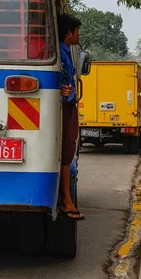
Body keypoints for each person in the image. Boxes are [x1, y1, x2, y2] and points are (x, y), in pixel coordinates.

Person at [58, 12, 85, 221]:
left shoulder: (65, 52)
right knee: (66, 155)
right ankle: (66, 201)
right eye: (77, 32)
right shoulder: (60, 52)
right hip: (65, 109)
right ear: (69, 33)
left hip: (68, 107)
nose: (78, 35)